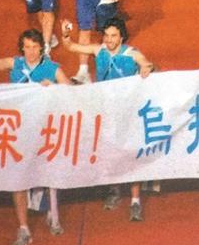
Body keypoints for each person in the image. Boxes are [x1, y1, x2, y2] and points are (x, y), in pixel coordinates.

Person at [0, 29, 70, 245]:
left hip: (44, 130)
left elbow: (71, 91)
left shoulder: (52, 68)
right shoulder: (16, 63)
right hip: (17, 129)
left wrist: (55, 88)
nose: (30, 52)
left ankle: (53, 214)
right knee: (17, 177)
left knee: (48, 173)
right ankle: (23, 227)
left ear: (42, 48)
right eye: (26, 47)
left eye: (34, 47)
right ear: (22, 48)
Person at [60, 16, 153, 221]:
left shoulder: (131, 53)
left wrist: (147, 68)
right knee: (111, 152)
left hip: (128, 112)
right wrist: (66, 35)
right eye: (107, 35)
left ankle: (135, 200)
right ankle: (115, 190)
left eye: (114, 36)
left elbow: (146, 63)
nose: (109, 40)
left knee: (131, 154)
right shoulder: (98, 50)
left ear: (121, 37)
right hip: (105, 111)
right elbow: (71, 46)